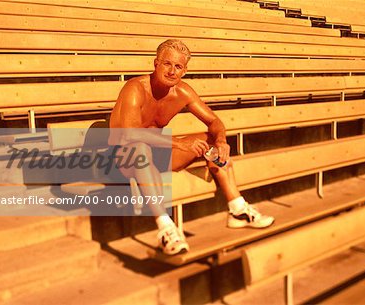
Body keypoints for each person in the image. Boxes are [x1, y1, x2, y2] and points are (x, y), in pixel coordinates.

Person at [108, 39, 274, 255]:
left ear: (184, 70)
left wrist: (222, 142)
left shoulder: (183, 92)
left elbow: (215, 122)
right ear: (155, 63)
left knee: (212, 141)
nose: (172, 71)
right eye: (167, 64)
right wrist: (178, 142)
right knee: (140, 148)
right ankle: (166, 230)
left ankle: (237, 210)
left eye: (178, 66)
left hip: (155, 155)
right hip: (123, 159)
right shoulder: (135, 88)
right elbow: (128, 134)